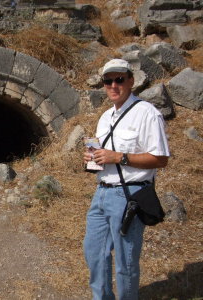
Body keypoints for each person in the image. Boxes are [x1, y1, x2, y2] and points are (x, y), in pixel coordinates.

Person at [83, 58, 170, 300]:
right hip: (101, 192)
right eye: (108, 80)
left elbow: (160, 158)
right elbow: (105, 156)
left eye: (119, 79)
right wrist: (92, 159)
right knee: (94, 252)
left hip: (128, 195)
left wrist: (118, 157)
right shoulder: (105, 117)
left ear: (131, 81)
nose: (113, 85)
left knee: (125, 260)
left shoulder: (147, 114)